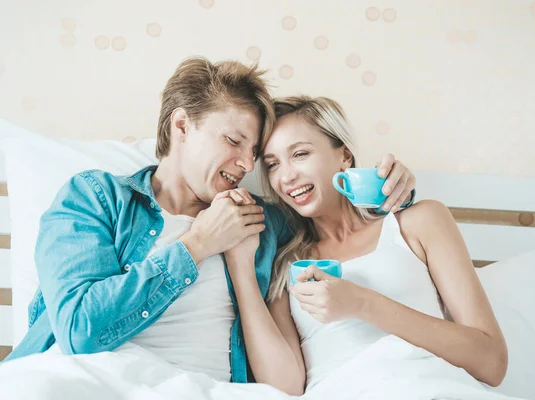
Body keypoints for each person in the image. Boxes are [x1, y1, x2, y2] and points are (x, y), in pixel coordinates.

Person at [2, 58, 416, 393]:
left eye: (254, 154)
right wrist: (197, 243)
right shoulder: (95, 196)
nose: (245, 165)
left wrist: (393, 193)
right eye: (233, 142)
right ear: (181, 125)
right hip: (95, 383)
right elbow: (78, 333)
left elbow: (336, 226)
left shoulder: (266, 224)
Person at [257, 96, 509, 393]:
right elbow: (285, 390)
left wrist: (363, 304)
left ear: (345, 156)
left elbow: (491, 362)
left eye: (300, 154)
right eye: (272, 164)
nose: (286, 176)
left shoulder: (418, 222)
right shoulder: (283, 265)